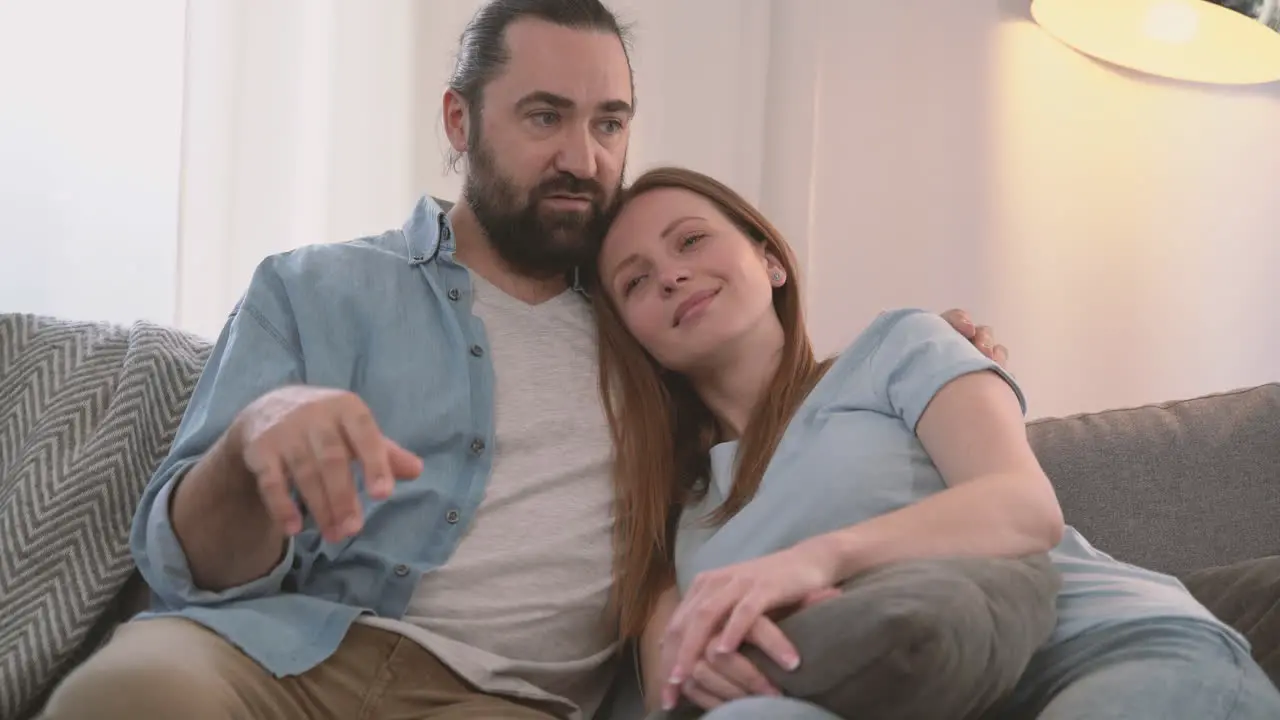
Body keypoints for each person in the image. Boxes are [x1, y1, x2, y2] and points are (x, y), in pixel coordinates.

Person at [38, 3, 1006, 720]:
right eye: (544, 117)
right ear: (460, 125)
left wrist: (932, 359)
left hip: (507, 702)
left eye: (609, 123)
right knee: (129, 693)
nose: (583, 158)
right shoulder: (316, 289)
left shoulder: (647, 325)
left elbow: (781, 408)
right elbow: (181, 562)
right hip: (277, 661)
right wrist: (254, 443)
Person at [589, 165, 1280, 719]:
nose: (671, 275)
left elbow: (1020, 506)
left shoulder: (900, 345)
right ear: (638, 341)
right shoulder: (677, 521)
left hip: (1098, 649)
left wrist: (815, 560)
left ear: (770, 260)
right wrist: (703, 670)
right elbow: (664, 695)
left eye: (689, 241)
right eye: (637, 282)